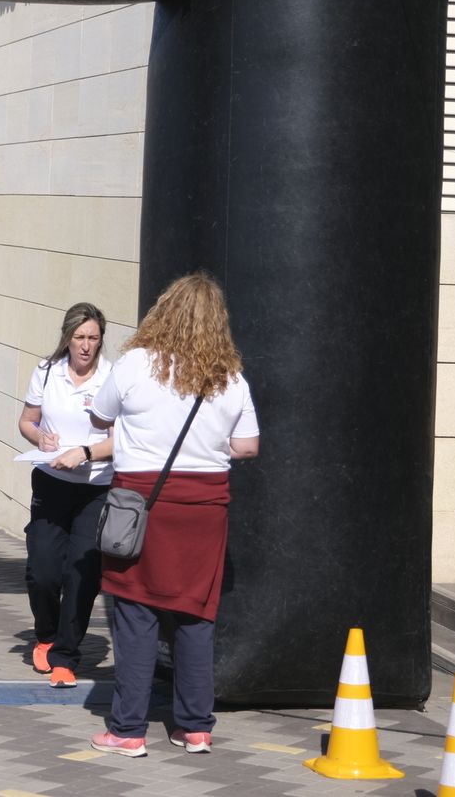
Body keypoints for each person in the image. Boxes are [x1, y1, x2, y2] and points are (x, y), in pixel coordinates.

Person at [85, 272, 259, 757]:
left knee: (135, 611)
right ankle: (195, 727)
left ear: (163, 311)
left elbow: (101, 417)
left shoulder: (136, 363)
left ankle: (127, 731)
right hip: (206, 509)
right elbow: (247, 446)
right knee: (196, 615)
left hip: (142, 503)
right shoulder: (230, 376)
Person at [17, 303, 114, 688]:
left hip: (96, 488)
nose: (86, 346)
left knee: (82, 572)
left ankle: (65, 656)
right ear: (67, 337)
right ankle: (46, 633)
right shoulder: (46, 371)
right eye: (79, 337)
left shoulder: (112, 377)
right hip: (51, 482)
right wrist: (39, 436)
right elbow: (26, 420)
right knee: (42, 570)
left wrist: (86, 453)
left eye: (93, 338)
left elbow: (122, 436)